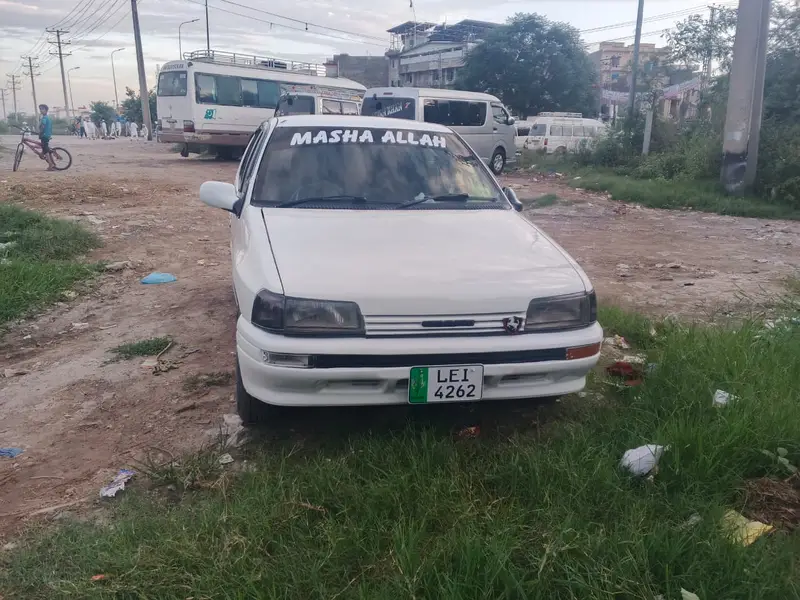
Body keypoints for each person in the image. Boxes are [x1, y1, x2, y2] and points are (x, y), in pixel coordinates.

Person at [38, 104, 56, 171]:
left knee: (45, 150)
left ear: (46, 110)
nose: (41, 110)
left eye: (42, 109)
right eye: (40, 109)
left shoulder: (44, 118)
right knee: (45, 148)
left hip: (44, 135)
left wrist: (40, 133)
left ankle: (50, 165)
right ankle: (51, 162)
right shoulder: (47, 117)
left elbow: (43, 126)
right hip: (47, 135)